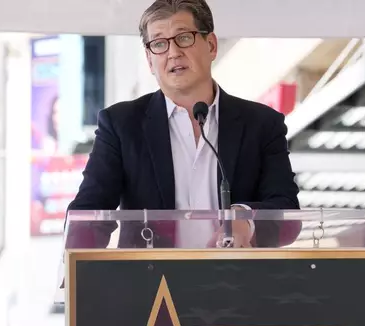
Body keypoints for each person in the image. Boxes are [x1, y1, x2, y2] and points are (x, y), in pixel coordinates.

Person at [66, 0, 300, 249]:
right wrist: (73, 278)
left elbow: (286, 211)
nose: (173, 52)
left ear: (211, 45)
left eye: (184, 38)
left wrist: (245, 220)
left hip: (236, 282)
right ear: (149, 59)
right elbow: (89, 213)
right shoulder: (121, 125)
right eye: (159, 43)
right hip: (150, 284)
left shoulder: (262, 124)